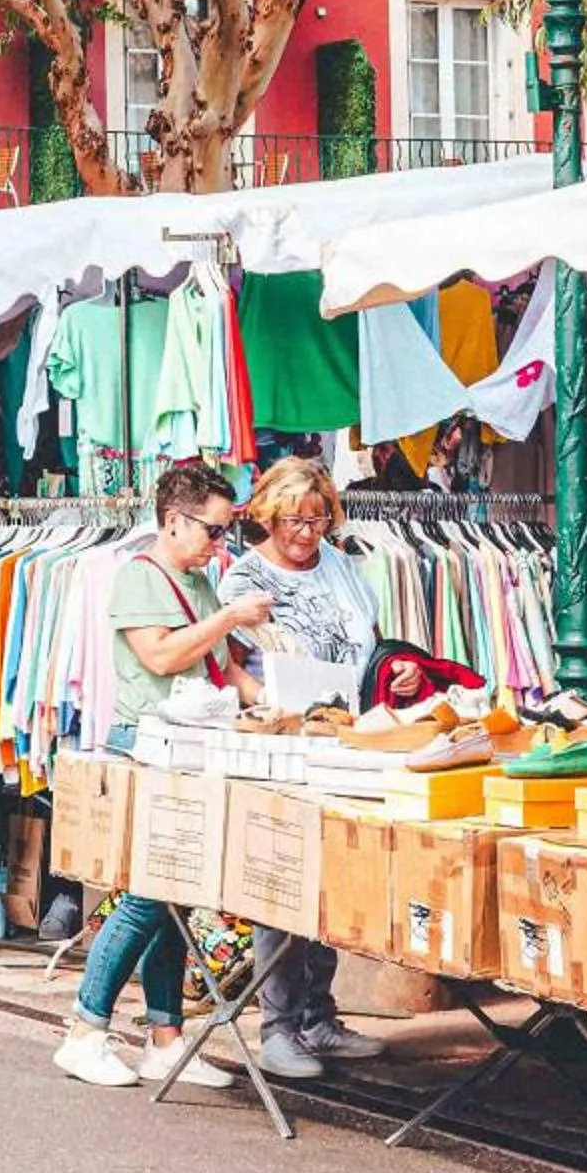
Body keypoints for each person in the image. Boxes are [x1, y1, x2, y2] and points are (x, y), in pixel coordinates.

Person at [53, 461, 271, 1091]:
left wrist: (279, 704)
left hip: (193, 747)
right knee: (149, 891)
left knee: (175, 891)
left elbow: (224, 672)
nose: (220, 544)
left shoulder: (202, 581)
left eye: (226, 532)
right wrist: (228, 620)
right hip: (150, 748)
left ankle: (164, 1037)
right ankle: (85, 1030)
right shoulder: (137, 579)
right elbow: (162, 654)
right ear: (174, 520)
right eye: (213, 530)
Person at [218, 457, 399, 1078]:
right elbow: (228, 664)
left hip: (346, 741)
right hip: (282, 746)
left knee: (333, 878)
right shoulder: (243, 577)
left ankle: (320, 1017)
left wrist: (392, 671)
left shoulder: (347, 568)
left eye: (318, 518)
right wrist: (261, 702)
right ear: (269, 514)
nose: (307, 532)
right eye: (295, 519)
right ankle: (277, 1025)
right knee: (279, 880)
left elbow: (369, 646)